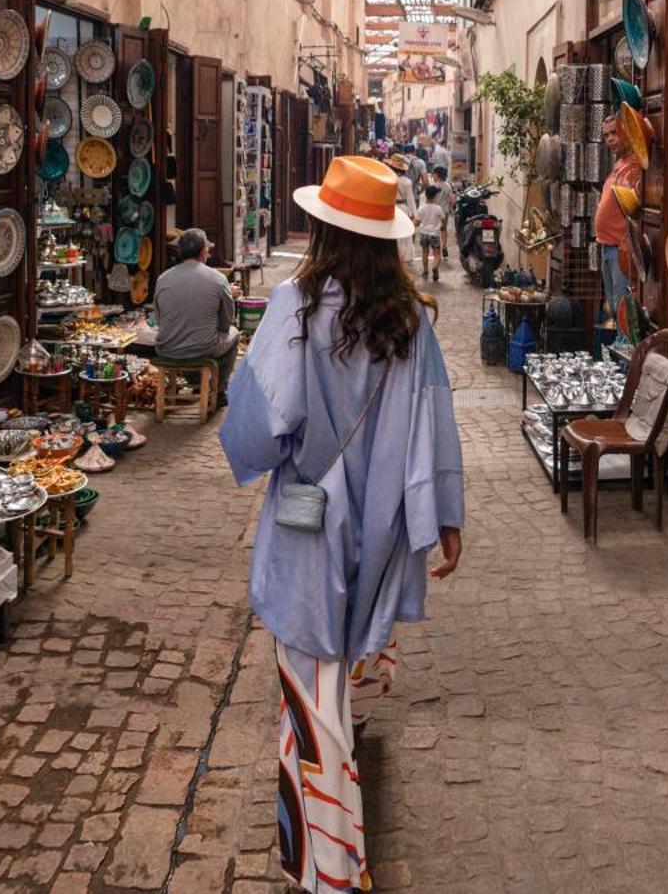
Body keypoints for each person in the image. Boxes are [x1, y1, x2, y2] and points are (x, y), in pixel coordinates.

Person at [220, 155, 465, 893]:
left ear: (325, 228)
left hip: (309, 529)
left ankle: (329, 862)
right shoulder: (412, 319)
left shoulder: (295, 306)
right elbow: (436, 422)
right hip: (381, 520)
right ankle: (323, 819)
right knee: (346, 659)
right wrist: (444, 517)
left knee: (310, 688)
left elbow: (262, 424)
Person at [153, 228, 239, 397]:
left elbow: (158, 319)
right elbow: (226, 322)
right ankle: (219, 390)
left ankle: (196, 383)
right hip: (202, 349)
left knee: (191, 337)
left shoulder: (163, 279)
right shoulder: (218, 278)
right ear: (202, 252)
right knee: (234, 334)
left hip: (166, 348)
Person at [592, 114, 647, 321]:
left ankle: (626, 349)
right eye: (606, 135)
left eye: (615, 133)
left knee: (624, 308)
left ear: (627, 132)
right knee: (616, 307)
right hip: (607, 246)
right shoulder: (620, 164)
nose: (610, 140)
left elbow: (636, 210)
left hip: (621, 249)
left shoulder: (634, 166)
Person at [415, 183, 446, 282]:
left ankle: (425, 270)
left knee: (425, 252)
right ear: (435, 196)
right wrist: (441, 226)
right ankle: (435, 267)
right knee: (437, 254)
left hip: (424, 233)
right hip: (434, 234)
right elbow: (443, 220)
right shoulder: (438, 208)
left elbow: (417, 222)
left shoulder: (421, 208)